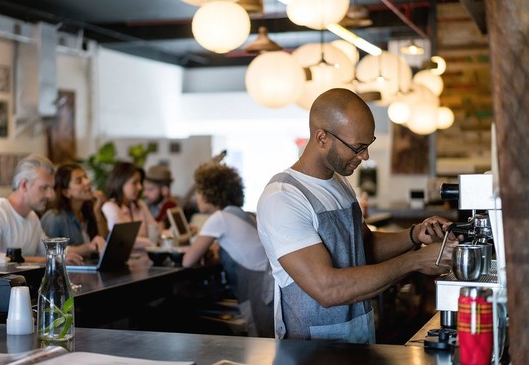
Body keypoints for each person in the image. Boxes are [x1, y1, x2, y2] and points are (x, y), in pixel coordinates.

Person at [256, 88, 455, 343]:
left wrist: (415, 235)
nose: (365, 156)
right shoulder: (283, 198)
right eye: (357, 147)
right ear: (321, 137)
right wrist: (414, 261)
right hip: (311, 352)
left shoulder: (339, 183)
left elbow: (363, 246)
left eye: (368, 145)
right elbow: (327, 288)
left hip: (358, 337)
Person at [182, 162, 274, 338]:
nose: (197, 196)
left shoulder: (219, 218)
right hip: (269, 287)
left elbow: (188, 260)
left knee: (261, 346)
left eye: (199, 191)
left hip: (259, 294)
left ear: (209, 193)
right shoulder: (242, 214)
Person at [0, 154, 83, 264]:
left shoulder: (32, 217)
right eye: (44, 188)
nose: (50, 195)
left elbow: (49, 251)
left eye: (51, 188)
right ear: (24, 185)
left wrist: (86, 249)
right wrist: (45, 259)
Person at [41, 163, 108, 261]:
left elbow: (104, 244)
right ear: (66, 192)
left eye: (85, 177)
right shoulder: (54, 217)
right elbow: (49, 252)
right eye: (79, 181)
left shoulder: (88, 211)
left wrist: (98, 213)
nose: (88, 181)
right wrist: (89, 247)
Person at [102, 161, 159, 249]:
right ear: (120, 182)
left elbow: (155, 230)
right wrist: (153, 241)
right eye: (134, 183)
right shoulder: (110, 207)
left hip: (147, 259)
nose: (140, 187)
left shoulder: (140, 204)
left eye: (140, 182)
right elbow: (124, 239)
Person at [142, 164, 177, 230]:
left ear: (164, 190)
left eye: (150, 189)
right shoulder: (149, 204)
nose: (145, 193)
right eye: (145, 189)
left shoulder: (169, 207)